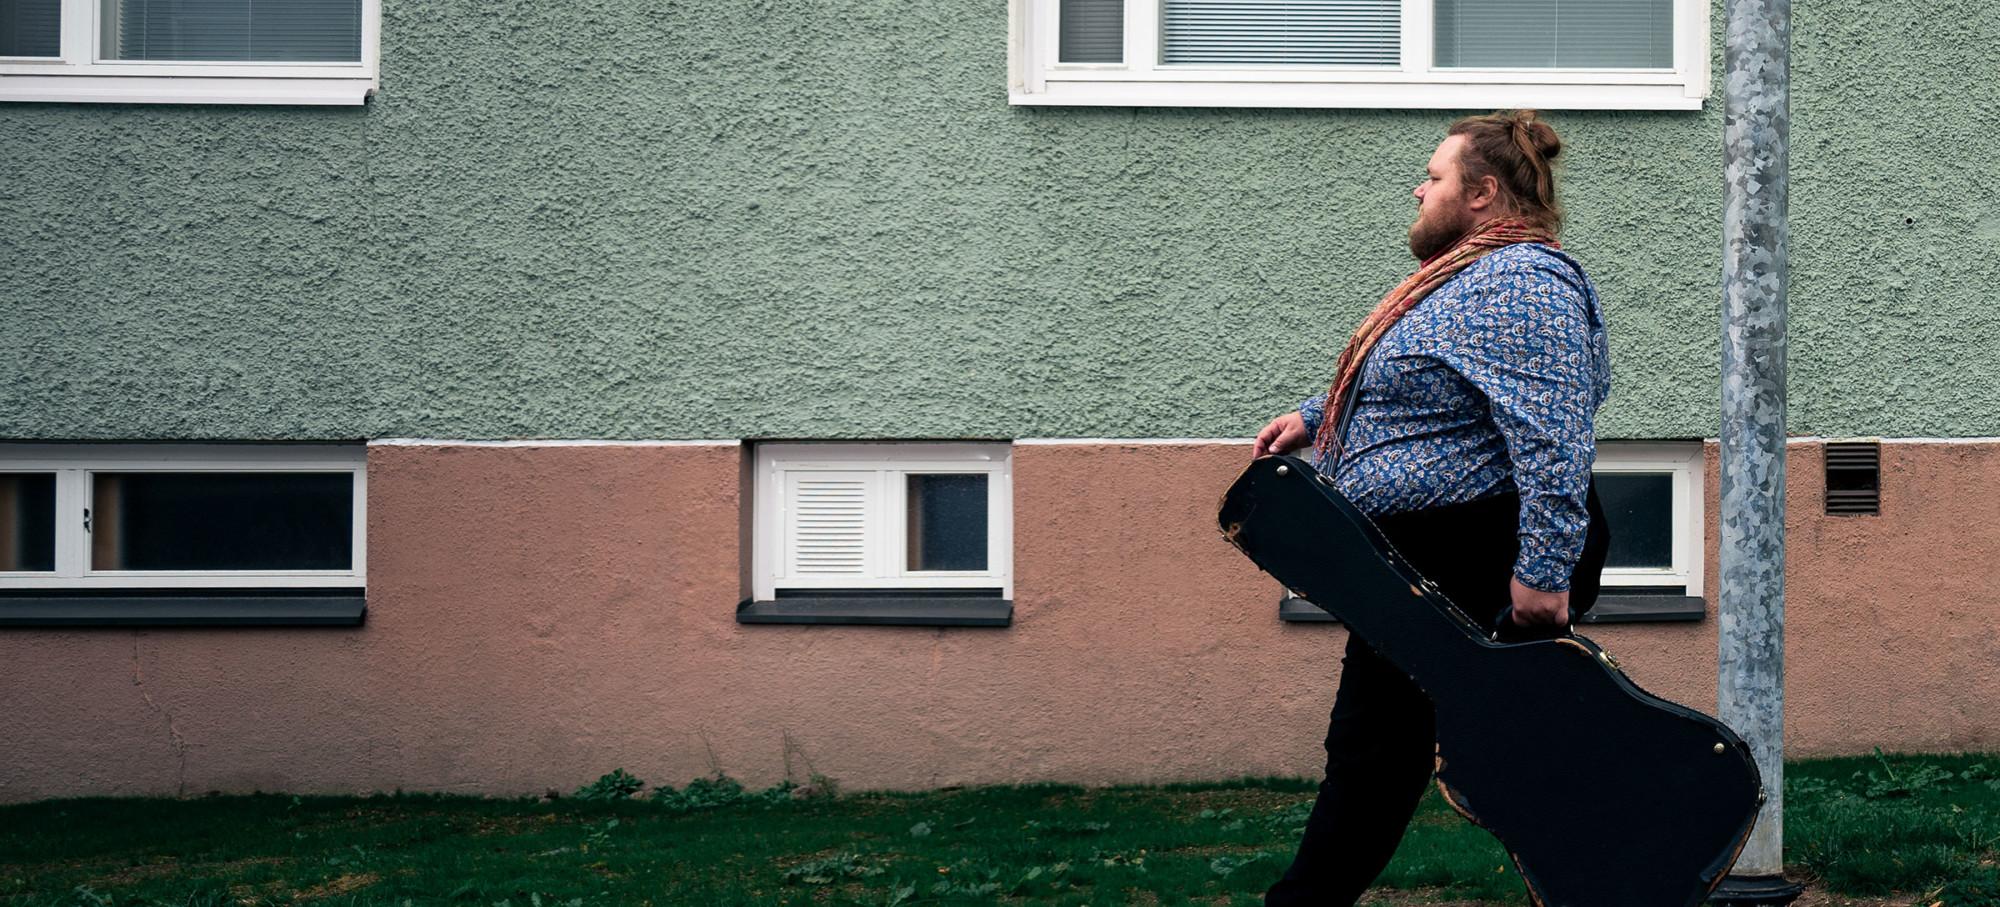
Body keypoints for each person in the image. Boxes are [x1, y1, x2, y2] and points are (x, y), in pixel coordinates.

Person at [1248, 109, 1614, 906]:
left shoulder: (1524, 282)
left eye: (1435, 176)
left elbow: (1552, 436)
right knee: (1434, 753)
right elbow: (1421, 378)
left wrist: (1543, 575)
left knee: (1379, 753)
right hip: (1431, 555)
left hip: (1477, 554)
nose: (1419, 187)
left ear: (1482, 194)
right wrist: (1317, 416)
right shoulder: (1469, 279)